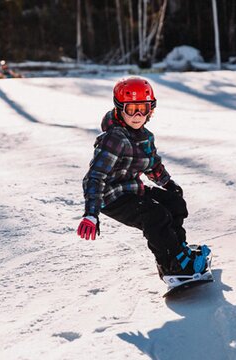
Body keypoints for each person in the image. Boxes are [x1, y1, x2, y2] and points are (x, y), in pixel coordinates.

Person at [77, 76, 210, 278]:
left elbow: (152, 165)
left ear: (151, 110)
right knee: (155, 215)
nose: (138, 115)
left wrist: (167, 183)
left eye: (143, 108)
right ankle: (172, 266)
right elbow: (95, 176)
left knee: (174, 203)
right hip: (111, 197)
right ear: (120, 108)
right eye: (131, 109)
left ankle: (180, 251)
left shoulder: (145, 137)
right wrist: (91, 213)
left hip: (132, 189)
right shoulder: (114, 139)